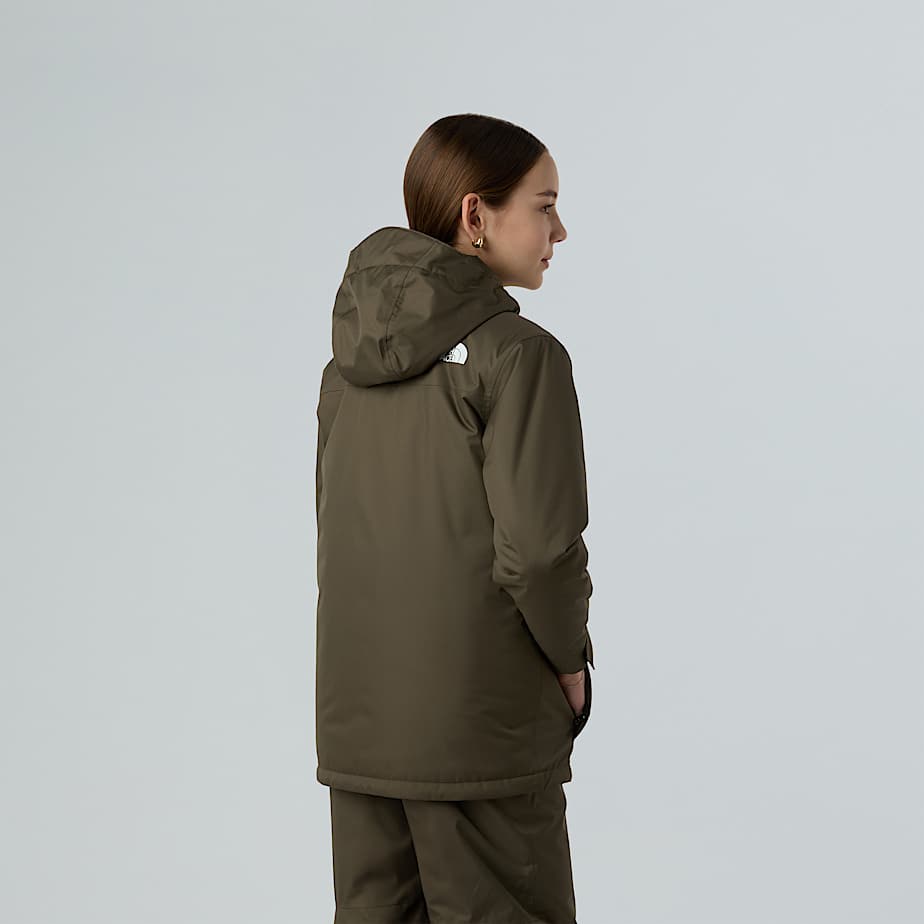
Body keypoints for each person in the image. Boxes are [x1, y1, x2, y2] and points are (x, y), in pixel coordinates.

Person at [314, 113, 596, 923]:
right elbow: (539, 554)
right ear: (476, 214)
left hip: (361, 727)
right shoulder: (519, 355)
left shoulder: (345, 369)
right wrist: (570, 663)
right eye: (544, 206)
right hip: (483, 731)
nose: (560, 231)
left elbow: (337, 536)